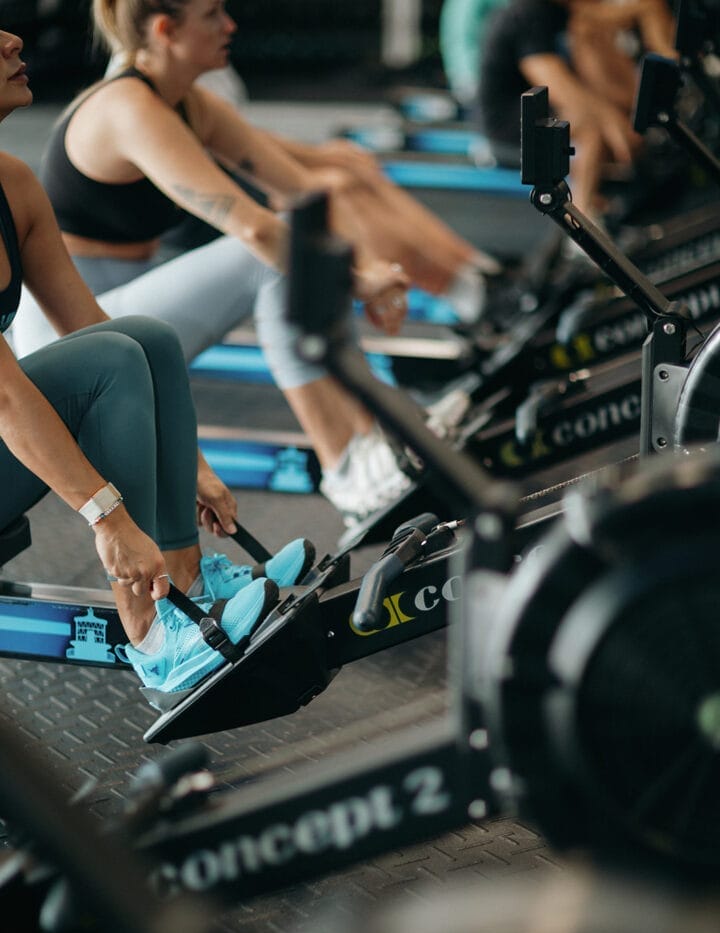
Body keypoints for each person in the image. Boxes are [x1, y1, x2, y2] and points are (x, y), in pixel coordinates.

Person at [12, 0, 499, 534]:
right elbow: (253, 228)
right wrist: (360, 282)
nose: (231, 25)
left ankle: (377, 436)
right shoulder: (128, 108)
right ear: (165, 30)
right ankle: (348, 473)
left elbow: (303, 190)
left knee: (301, 236)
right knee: (268, 258)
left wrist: (374, 267)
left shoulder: (188, 102)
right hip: (70, 334)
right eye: (214, 15)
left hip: (126, 304)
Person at [0, 26, 315, 697]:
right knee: (112, 359)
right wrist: (109, 521)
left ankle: (189, 579)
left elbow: (88, 322)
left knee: (144, 336)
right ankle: (150, 634)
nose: (11, 39)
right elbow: (3, 396)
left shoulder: (13, 183)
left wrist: (186, 464)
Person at [477, 0, 677, 216]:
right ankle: (579, 222)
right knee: (589, 129)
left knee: (601, 121)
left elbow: (615, 91)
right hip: (508, 124)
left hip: (546, 110)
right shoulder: (528, 13)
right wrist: (612, 121)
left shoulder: (570, 15)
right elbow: (557, 86)